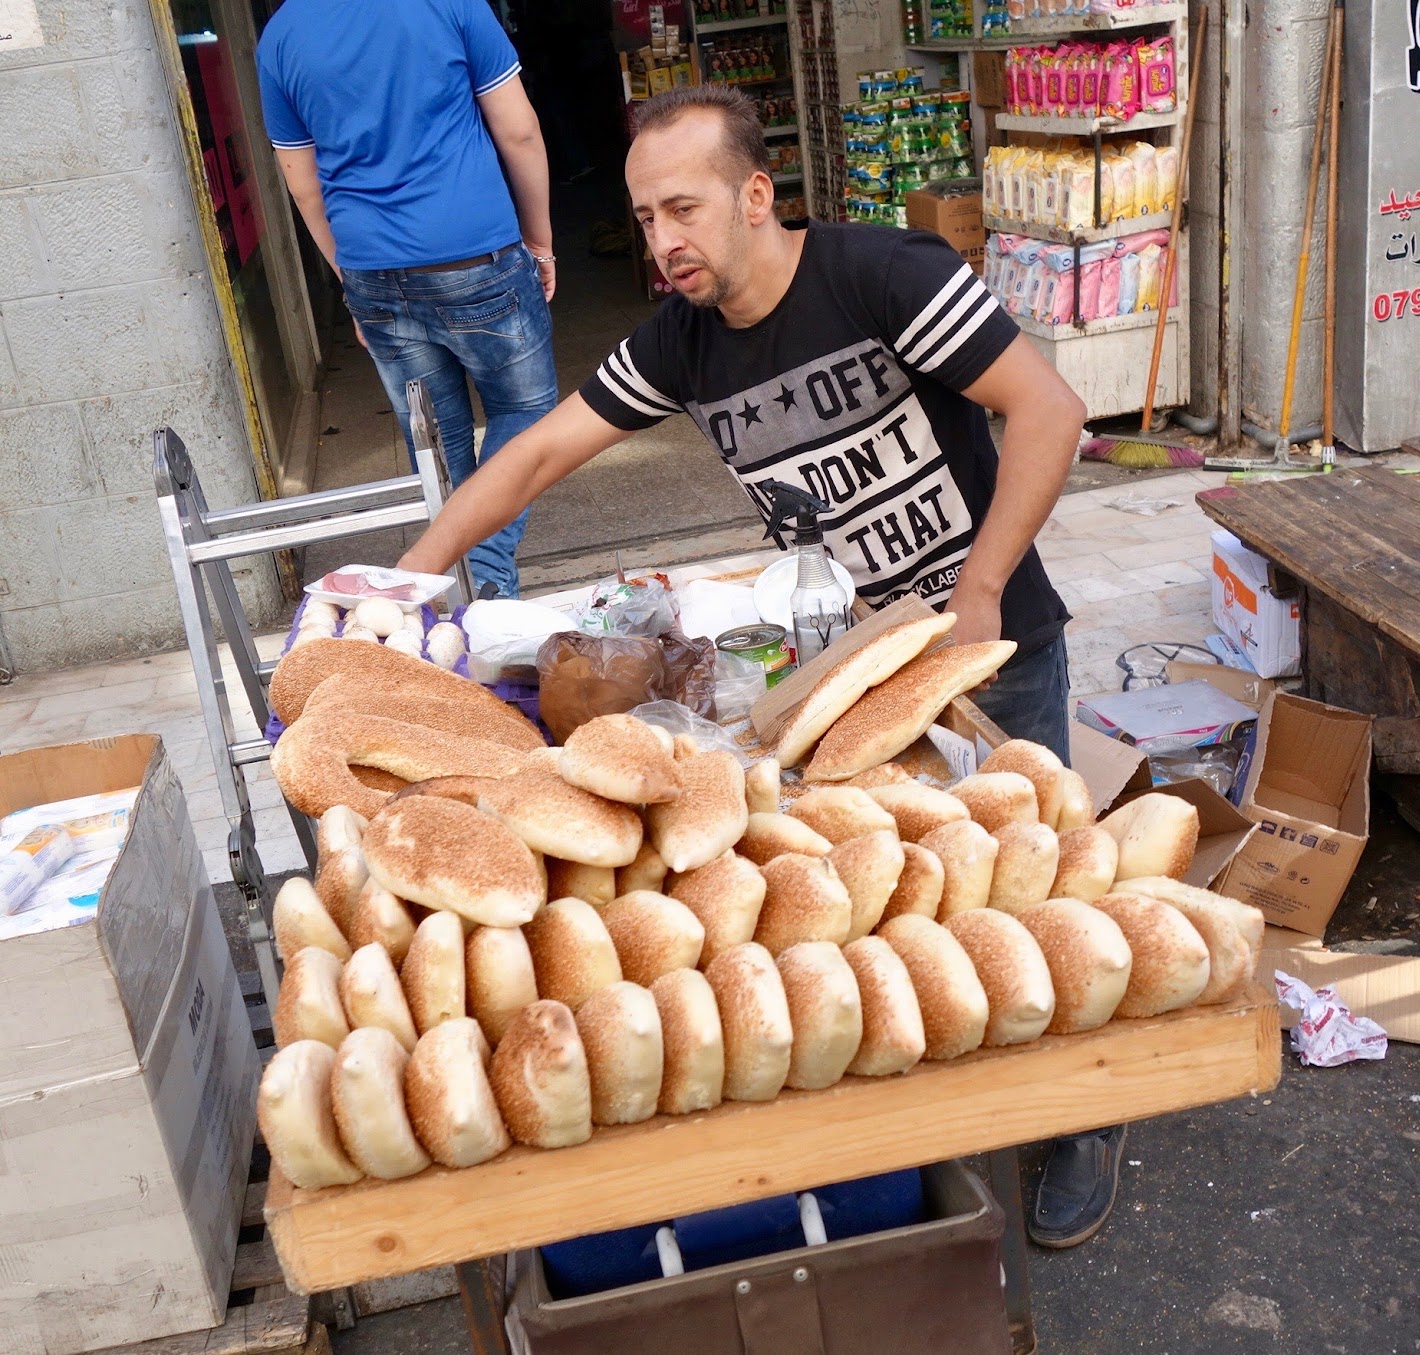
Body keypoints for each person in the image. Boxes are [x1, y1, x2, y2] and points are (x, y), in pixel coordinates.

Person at [398, 84, 1126, 1248]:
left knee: (1035, 888)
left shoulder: (883, 278)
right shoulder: (683, 343)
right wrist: (406, 578)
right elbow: (537, 451)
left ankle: (1084, 1120)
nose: (661, 243)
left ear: (754, 194)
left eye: (681, 209)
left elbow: (1047, 409)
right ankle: (948, 1096)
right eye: (642, 219)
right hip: (864, 660)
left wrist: (977, 591)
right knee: (925, 898)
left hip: (993, 645)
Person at [257, 0, 560, 601]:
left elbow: (304, 183)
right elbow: (519, 130)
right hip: (476, 253)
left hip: (373, 268)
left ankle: (459, 580)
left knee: (435, 443)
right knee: (529, 413)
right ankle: (487, 573)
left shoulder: (281, 36)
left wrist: (351, 282)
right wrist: (541, 241)